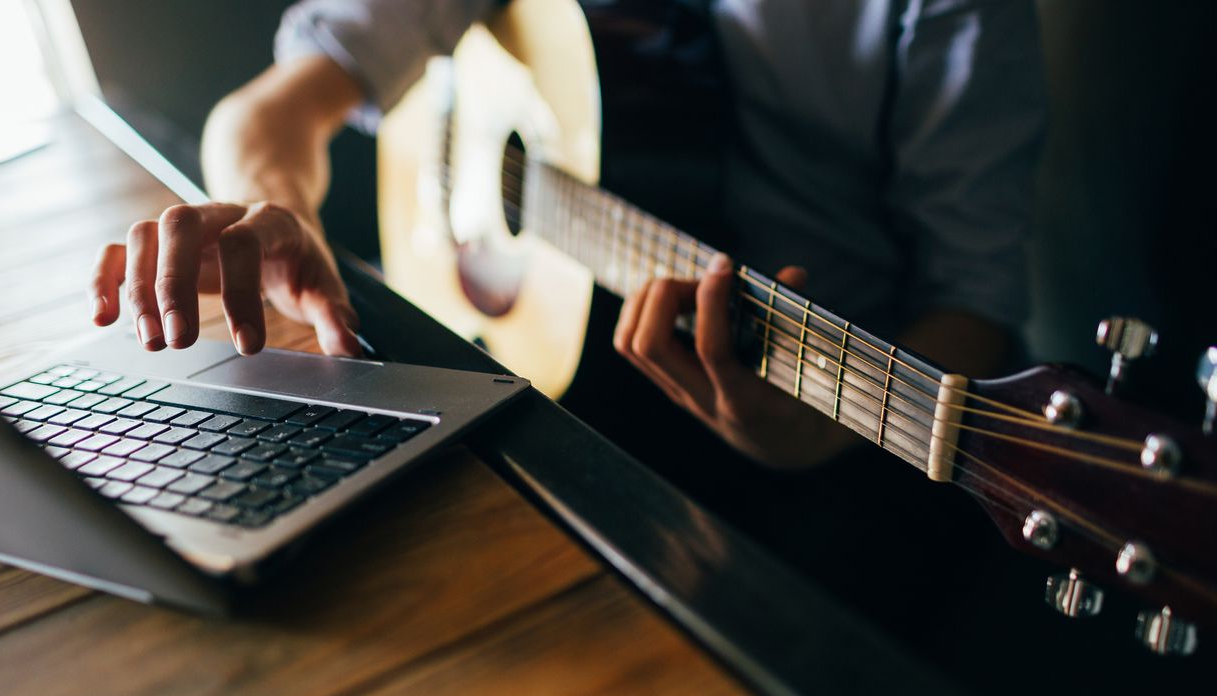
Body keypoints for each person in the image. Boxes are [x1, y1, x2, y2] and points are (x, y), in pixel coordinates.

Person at [89, 0, 1045, 472]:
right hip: (539, 364)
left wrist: (806, 433)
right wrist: (277, 208)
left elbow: (976, 304)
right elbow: (264, 116)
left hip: (815, 417)